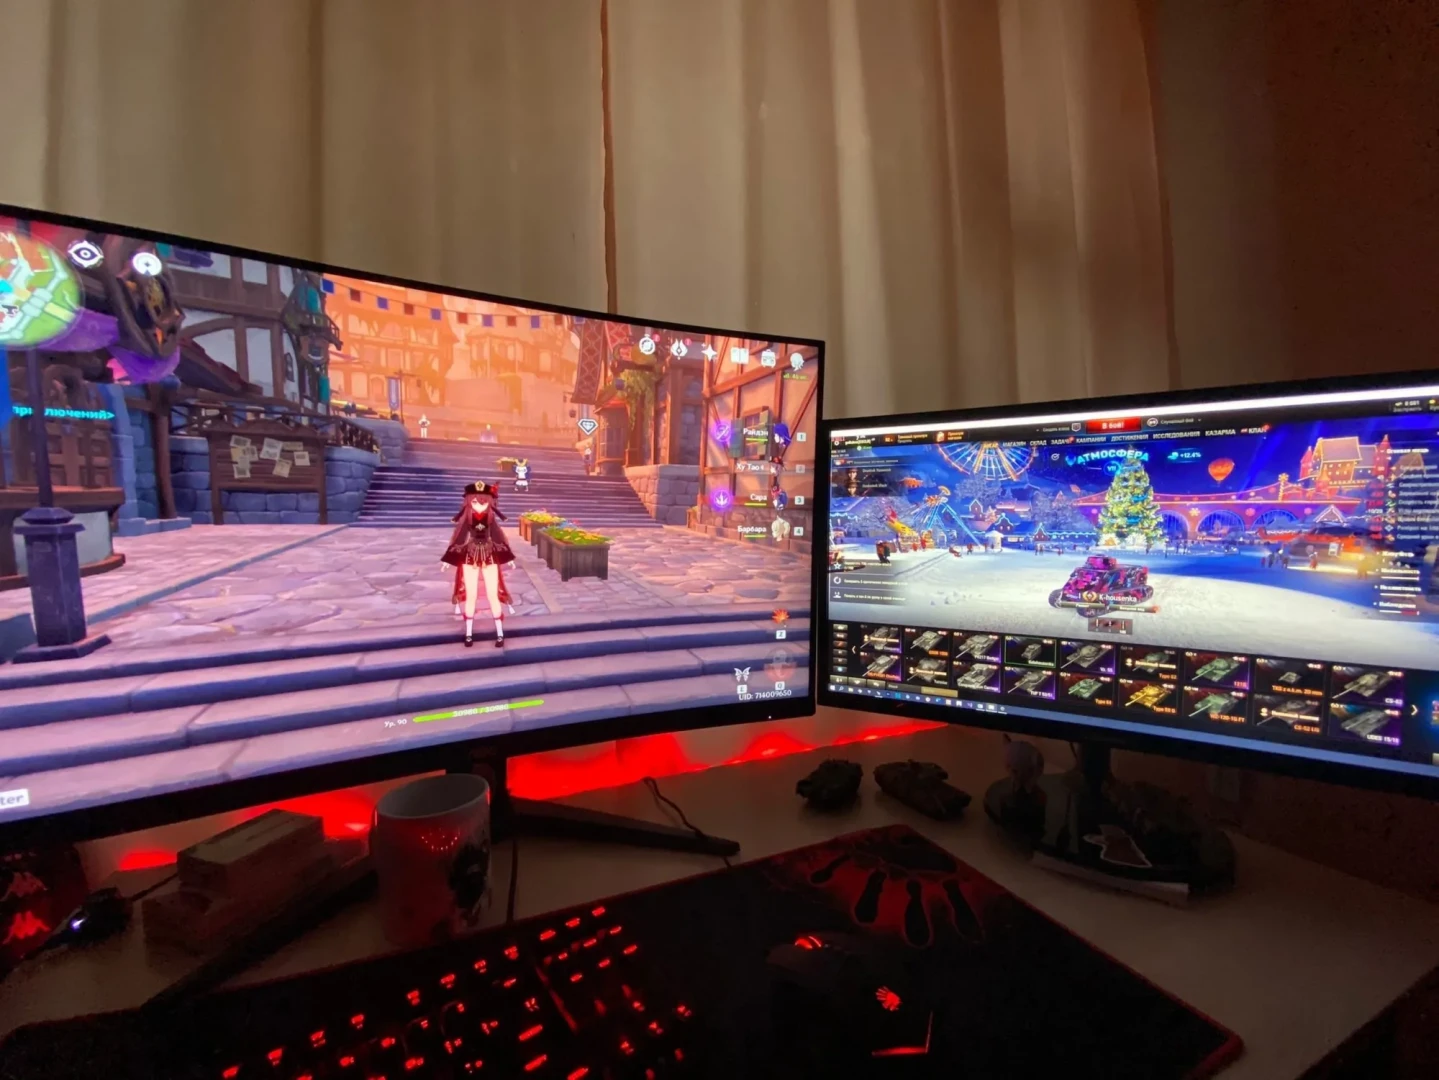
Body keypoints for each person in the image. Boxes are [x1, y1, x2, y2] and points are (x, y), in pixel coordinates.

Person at [442, 481, 516, 647]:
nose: (479, 506)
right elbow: (459, 537)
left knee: (492, 594)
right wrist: (448, 559)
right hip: (470, 556)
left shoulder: (491, 519)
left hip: (490, 556)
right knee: (471, 595)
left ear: (490, 502)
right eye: (475, 502)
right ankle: (469, 633)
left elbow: (498, 537)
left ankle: (500, 633)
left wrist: (509, 557)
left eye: (483, 502)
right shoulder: (467, 519)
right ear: (469, 502)